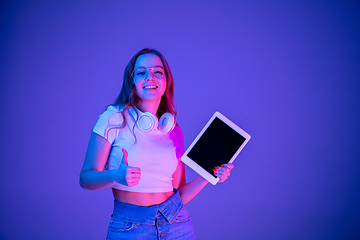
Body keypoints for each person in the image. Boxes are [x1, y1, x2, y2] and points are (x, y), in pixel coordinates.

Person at [79, 48, 234, 239]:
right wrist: (115, 176)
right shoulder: (113, 118)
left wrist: (208, 176)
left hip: (177, 224)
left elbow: (180, 194)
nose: (150, 77)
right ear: (132, 80)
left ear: (166, 80)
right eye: (141, 72)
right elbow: (85, 180)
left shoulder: (173, 130)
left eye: (157, 72)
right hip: (130, 227)